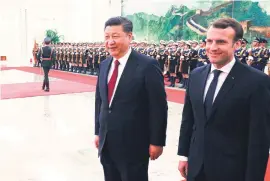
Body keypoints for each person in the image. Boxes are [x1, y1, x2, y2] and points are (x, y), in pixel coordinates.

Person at [177, 18, 270, 181]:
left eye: (220, 42)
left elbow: (259, 138)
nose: (212, 47)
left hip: (233, 171)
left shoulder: (257, 82)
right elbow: (189, 120)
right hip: (197, 166)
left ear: (237, 45)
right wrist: (184, 155)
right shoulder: (196, 75)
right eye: (209, 41)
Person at [94, 16, 168, 181]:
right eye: (107, 37)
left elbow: (158, 107)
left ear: (129, 36)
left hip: (134, 144)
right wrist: (98, 131)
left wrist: (157, 141)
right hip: (107, 142)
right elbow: (100, 101)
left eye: (115, 36)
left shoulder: (147, 65)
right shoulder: (105, 64)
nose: (110, 41)